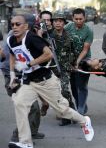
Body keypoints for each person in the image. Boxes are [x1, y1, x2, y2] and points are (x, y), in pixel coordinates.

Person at [7, 15, 94, 148]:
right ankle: (25, 142)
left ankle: (84, 121)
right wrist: (13, 74)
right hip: (29, 82)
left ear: (25, 26)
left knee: (62, 111)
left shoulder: (32, 38)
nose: (14, 27)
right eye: (12, 24)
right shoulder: (11, 40)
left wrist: (29, 64)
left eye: (18, 24)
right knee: (19, 104)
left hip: (46, 81)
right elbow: (13, 54)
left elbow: (49, 54)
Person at [1, 14, 45, 143]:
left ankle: (33, 132)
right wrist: (12, 78)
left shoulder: (28, 35)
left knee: (34, 106)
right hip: (12, 74)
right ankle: (17, 136)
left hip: (24, 73)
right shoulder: (14, 36)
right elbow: (8, 58)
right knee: (30, 106)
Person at [65, 8, 93, 115]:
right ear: (72, 18)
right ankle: (80, 104)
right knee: (73, 86)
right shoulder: (68, 27)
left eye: (80, 19)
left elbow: (85, 50)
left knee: (81, 85)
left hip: (84, 59)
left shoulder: (88, 31)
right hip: (70, 59)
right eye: (76, 19)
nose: (78, 21)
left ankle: (80, 109)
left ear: (84, 18)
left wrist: (78, 61)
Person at [50, 13, 76, 126]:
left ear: (64, 23)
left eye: (60, 21)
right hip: (52, 68)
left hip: (65, 68)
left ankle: (67, 116)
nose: (57, 23)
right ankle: (73, 111)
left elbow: (74, 51)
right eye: (55, 21)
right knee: (56, 92)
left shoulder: (70, 36)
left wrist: (73, 63)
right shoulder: (49, 36)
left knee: (64, 90)